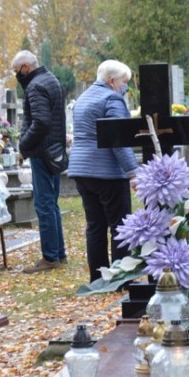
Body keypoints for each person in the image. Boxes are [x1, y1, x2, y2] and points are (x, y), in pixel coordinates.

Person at [68, 60, 139, 283]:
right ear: (112, 81)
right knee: (120, 225)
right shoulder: (112, 98)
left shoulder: (83, 98)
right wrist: (133, 173)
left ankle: (98, 278)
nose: (125, 87)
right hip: (106, 171)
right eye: (124, 82)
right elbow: (118, 140)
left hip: (81, 170)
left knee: (95, 226)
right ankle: (120, 277)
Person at [11, 50, 67, 273]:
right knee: (51, 204)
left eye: (17, 71)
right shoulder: (51, 78)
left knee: (44, 205)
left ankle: (50, 257)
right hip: (54, 149)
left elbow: (41, 121)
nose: (17, 76)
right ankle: (59, 252)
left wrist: (24, 144)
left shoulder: (34, 86)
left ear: (26, 67)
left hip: (42, 151)